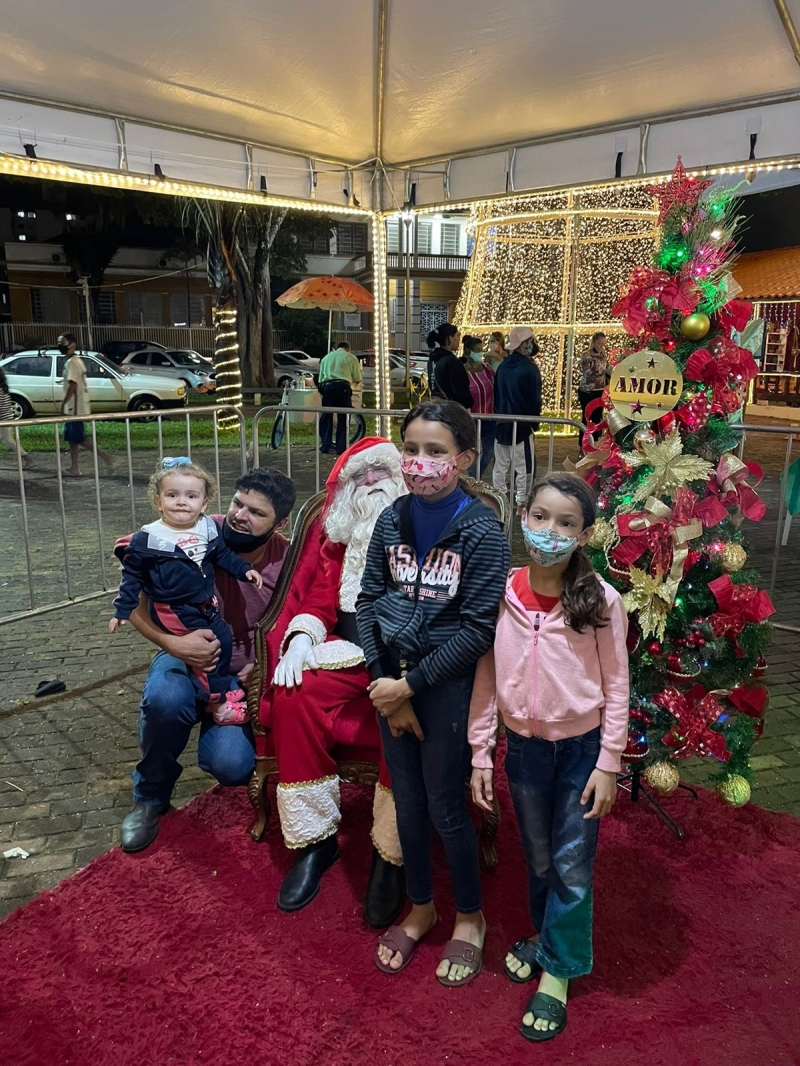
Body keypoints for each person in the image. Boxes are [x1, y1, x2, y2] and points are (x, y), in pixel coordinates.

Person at [469, 472, 629, 1043]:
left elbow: (617, 685)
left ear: (584, 533)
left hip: (582, 751)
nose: (550, 531)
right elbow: (486, 676)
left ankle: (558, 973)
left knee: (570, 861)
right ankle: (545, 936)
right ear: (522, 515)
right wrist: (480, 751)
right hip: (525, 749)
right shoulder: (502, 594)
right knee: (537, 854)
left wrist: (609, 761)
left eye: (566, 523)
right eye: (541, 517)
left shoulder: (601, 600)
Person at [357, 401, 509, 986]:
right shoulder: (391, 518)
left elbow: (477, 628)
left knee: (446, 808)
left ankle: (469, 918)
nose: (421, 463)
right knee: (409, 803)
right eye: (412, 450)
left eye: (436, 451)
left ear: (463, 458)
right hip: (389, 681)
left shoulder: (481, 531)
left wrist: (409, 688)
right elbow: (368, 599)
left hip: (442, 688)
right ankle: (422, 907)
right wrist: (384, 684)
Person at [264, 437, 407, 927]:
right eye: (359, 477)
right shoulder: (339, 540)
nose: (369, 483)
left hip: (408, 660)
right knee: (293, 693)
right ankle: (317, 841)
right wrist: (302, 639)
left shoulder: (425, 529)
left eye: (379, 474)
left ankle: (390, 855)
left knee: (407, 717)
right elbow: (320, 600)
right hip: (349, 652)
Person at [118, 467, 295, 852]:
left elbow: (299, 624)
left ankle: (212, 721)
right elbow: (133, 605)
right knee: (167, 698)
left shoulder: (289, 561)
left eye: (256, 512)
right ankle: (150, 797)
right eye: (237, 503)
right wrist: (171, 644)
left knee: (231, 766)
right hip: (180, 657)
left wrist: (266, 667)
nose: (240, 516)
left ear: (281, 523)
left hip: (238, 679)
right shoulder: (192, 529)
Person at [111, 458, 264, 724]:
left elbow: (223, 556)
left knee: (223, 638)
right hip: (173, 607)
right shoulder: (147, 539)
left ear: (204, 503)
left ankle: (218, 691)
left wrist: (244, 570)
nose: (182, 501)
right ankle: (217, 705)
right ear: (158, 501)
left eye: (191, 496)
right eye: (172, 495)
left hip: (204, 603)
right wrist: (122, 610)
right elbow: (131, 577)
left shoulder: (207, 528)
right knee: (206, 652)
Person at [493, 326, 541, 506]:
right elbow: (534, 399)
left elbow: (497, 394)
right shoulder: (529, 368)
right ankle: (522, 502)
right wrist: (534, 422)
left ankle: (499, 498)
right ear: (524, 343)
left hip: (501, 422)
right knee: (524, 467)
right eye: (531, 341)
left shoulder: (503, 365)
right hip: (522, 425)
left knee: (500, 465)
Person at [58, 333, 112, 476]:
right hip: (74, 407)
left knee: (79, 438)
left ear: (72, 345)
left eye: (63, 343)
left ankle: (105, 457)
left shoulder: (73, 363)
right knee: (72, 439)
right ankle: (74, 467)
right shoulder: (73, 361)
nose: (61, 347)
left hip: (74, 408)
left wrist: (63, 404)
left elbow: (72, 386)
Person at [318, 341, 363, 455]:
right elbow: (357, 378)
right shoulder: (351, 357)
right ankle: (340, 447)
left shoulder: (326, 358)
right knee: (343, 417)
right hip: (342, 387)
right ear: (348, 349)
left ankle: (325, 446)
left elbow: (320, 379)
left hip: (327, 387)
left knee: (326, 416)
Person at [462, 335, 496, 478]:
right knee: (473, 452)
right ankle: (471, 480)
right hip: (473, 419)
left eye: (481, 350)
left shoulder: (487, 369)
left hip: (490, 417)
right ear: (468, 352)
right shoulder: (463, 372)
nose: (480, 353)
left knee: (489, 451)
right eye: (477, 350)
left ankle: (474, 478)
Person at [427, 323, 473, 410]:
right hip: (451, 411)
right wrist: (469, 402)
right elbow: (461, 390)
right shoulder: (452, 361)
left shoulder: (432, 360)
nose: (459, 339)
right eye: (457, 336)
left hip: (435, 409)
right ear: (450, 338)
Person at [578, 333, 610, 452]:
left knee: (598, 418)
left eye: (603, 344)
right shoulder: (586, 355)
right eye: (599, 343)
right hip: (587, 391)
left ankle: (595, 445)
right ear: (593, 341)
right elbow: (587, 372)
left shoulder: (603, 355)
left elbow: (607, 368)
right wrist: (603, 371)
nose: (601, 346)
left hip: (600, 391)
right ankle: (582, 446)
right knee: (586, 418)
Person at [0, 366, 33, 468]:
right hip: (6, 418)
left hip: (4, 419)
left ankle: (27, 457)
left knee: (9, 440)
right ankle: (27, 457)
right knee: (7, 439)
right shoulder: (3, 387)